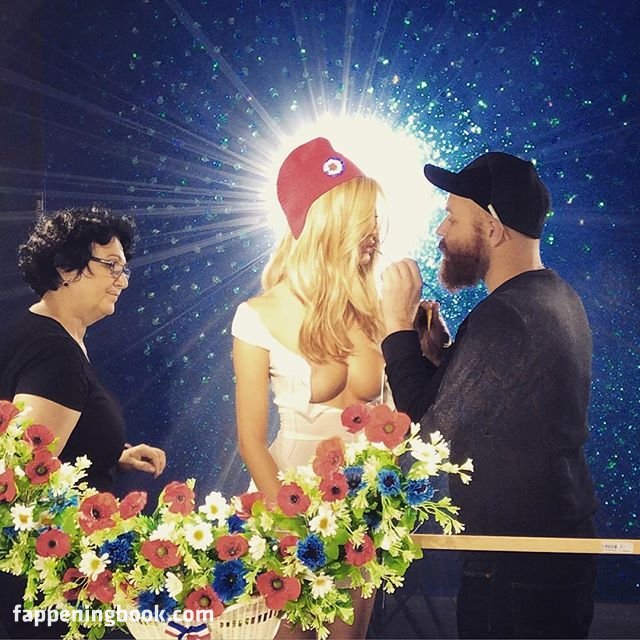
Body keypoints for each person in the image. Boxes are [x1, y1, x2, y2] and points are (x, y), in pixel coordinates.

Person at [379, 152, 598, 639]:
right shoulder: (556, 296)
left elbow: (429, 433)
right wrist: (440, 359)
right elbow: (497, 406)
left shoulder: (506, 315)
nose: (441, 230)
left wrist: (395, 327)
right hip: (547, 555)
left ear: (494, 230)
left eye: (453, 218)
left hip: (517, 567)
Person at [232, 137, 384, 639]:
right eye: (362, 217)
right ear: (325, 221)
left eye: (374, 216)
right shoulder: (257, 315)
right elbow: (251, 440)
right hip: (285, 501)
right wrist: (291, 524)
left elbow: (404, 419)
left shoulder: (377, 307)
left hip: (362, 508)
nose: (374, 230)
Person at [0, 206, 166, 639]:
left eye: (124, 269)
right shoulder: (53, 352)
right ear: (65, 268)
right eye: (110, 265)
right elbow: (26, 481)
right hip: (55, 588)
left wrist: (115, 454)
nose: (122, 280)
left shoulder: (53, 337)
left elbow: (54, 446)